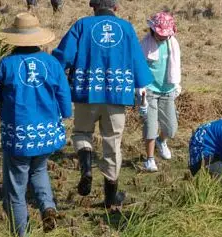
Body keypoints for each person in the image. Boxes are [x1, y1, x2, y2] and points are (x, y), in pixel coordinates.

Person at [52, 0, 153, 211]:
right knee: (112, 143)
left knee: (81, 133)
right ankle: (110, 198)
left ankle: (86, 170)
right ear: (116, 7)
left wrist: (52, 71)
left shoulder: (82, 25)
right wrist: (141, 86)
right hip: (117, 97)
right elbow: (137, 60)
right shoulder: (126, 28)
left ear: (93, 7)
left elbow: (65, 56)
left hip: (86, 93)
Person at [0, 13, 72, 237]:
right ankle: (48, 207)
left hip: (19, 136)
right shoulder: (52, 62)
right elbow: (65, 103)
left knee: (15, 189)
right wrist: (64, 114)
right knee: (39, 169)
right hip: (47, 134)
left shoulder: (4, 64)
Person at [139, 11, 182, 172]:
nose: (163, 37)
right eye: (159, 34)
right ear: (153, 30)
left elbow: (176, 65)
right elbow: (138, 67)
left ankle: (161, 141)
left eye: (165, 35)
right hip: (149, 90)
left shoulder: (173, 43)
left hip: (167, 90)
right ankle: (149, 159)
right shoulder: (145, 44)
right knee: (150, 125)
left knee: (171, 128)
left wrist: (177, 84)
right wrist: (140, 89)